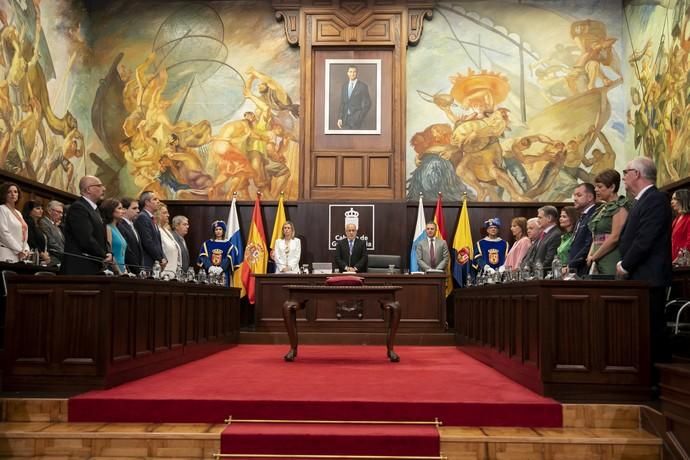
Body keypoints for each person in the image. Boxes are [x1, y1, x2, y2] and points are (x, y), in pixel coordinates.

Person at [617, 157, 673, 368]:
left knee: (652, 327)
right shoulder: (642, 200)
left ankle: (655, 374)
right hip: (640, 275)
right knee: (643, 327)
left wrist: (625, 265)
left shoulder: (656, 199)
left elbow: (645, 238)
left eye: (625, 172)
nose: (623, 177)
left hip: (649, 275)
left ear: (636, 174)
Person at [61, 176, 113, 275]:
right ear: (89, 189)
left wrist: (109, 252)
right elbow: (86, 238)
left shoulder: (95, 210)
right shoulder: (79, 208)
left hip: (92, 265)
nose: (104, 188)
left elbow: (102, 237)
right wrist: (104, 255)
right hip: (79, 268)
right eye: (99, 185)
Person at [587, 169, 631, 276]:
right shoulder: (602, 208)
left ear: (612, 187)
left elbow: (615, 237)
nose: (596, 190)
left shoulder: (620, 206)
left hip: (611, 256)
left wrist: (595, 256)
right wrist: (590, 255)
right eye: (595, 186)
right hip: (596, 257)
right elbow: (595, 236)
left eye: (600, 186)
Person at [568, 183, 598, 276]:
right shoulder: (582, 216)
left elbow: (588, 244)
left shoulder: (594, 214)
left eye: (579, 195)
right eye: (574, 195)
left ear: (590, 197)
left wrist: (572, 265)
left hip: (584, 268)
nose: (575, 198)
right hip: (575, 268)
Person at [134, 190, 166, 270]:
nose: (158, 201)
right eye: (155, 199)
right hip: (147, 262)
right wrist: (160, 258)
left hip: (155, 262)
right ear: (147, 202)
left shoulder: (150, 218)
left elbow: (157, 242)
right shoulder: (143, 217)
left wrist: (162, 257)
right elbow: (148, 242)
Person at [525, 205, 562, 271]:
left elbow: (550, 259)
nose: (538, 220)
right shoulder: (544, 234)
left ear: (549, 218)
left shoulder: (556, 235)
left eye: (540, 218)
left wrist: (536, 272)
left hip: (544, 276)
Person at [0, 182, 29, 262]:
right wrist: (19, 250)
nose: (13, 194)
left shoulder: (18, 213)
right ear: (3, 194)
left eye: (15, 192)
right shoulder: (2, 209)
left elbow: (23, 235)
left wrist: (26, 249)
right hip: (6, 253)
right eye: (9, 192)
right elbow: (3, 233)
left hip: (19, 255)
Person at [337, 65, 371, 130]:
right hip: (345, 119)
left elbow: (368, 104)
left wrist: (359, 117)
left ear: (357, 73)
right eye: (350, 72)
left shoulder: (362, 86)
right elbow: (342, 103)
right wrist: (339, 118)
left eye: (354, 72)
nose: (352, 74)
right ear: (347, 73)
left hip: (357, 121)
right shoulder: (344, 86)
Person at [100, 198, 127, 274]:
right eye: (119, 208)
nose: (123, 211)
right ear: (110, 210)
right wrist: (118, 271)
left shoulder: (118, 228)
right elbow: (110, 252)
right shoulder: (108, 228)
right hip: (113, 271)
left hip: (122, 270)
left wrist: (125, 270)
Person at [117, 197, 144, 274]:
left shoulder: (132, 225)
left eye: (138, 208)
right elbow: (127, 251)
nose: (138, 211)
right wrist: (137, 270)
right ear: (124, 210)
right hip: (129, 270)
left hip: (138, 270)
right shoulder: (120, 226)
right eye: (134, 208)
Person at [155, 204, 180, 278]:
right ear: (157, 214)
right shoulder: (157, 230)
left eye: (167, 213)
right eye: (164, 213)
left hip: (173, 273)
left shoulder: (167, 230)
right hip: (163, 273)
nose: (168, 215)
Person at [22, 200, 50, 265]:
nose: (41, 211)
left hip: (40, 257)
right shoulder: (28, 222)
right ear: (30, 210)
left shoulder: (38, 224)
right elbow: (31, 241)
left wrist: (46, 253)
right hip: (31, 257)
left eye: (41, 208)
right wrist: (42, 254)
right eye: (38, 208)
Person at [39, 200, 65, 267]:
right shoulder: (44, 223)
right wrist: (66, 253)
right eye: (59, 212)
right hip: (51, 259)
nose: (61, 215)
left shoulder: (57, 226)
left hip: (60, 259)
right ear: (50, 211)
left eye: (62, 213)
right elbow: (51, 243)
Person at [671, 189, 690, 263]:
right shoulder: (676, 219)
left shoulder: (688, 218)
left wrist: (678, 260)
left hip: (683, 263)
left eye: (675, 199)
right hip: (675, 261)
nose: (671, 202)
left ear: (683, 199)